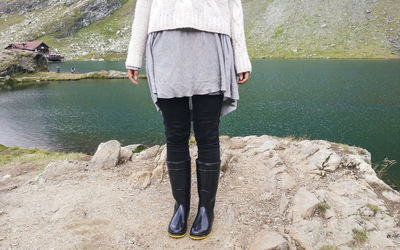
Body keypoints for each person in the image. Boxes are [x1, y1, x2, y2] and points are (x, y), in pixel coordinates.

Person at [125, 0, 251, 240]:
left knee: (207, 133)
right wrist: (134, 54)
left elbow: (234, 4)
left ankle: (206, 209)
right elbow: (144, 5)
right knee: (175, 134)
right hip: (165, 41)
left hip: (212, 39)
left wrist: (241, 57)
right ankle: (180, 207)